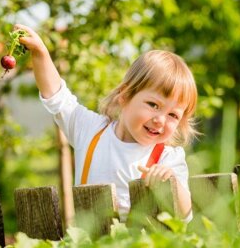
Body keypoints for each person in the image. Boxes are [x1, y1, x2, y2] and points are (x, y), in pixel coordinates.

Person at [15, 24, 198, 223]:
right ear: (125, 96)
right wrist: (40, 52)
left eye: (173, 115)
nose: (160, 120)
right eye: (153, 105)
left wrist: (172, 184)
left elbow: (185, 216)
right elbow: (57, 98)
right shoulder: (91, 130)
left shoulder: (167, 158)